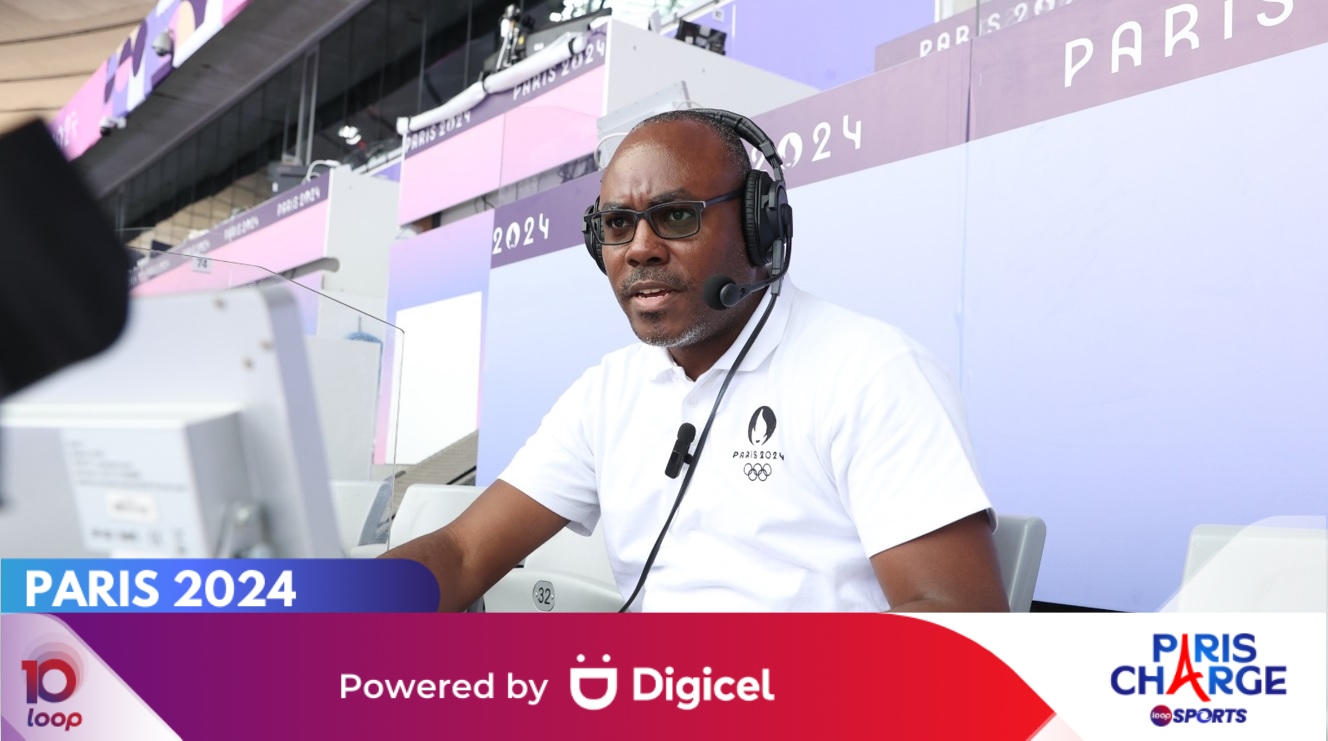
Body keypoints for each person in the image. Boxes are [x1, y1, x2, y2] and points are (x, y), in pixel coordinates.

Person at [383, 109, 1008, 612]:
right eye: (617, 225)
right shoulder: (608, 391)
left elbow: (956, 619)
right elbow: (464, 553)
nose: (641, 249)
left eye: (677, 216)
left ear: (760, 227)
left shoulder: (869, 371)